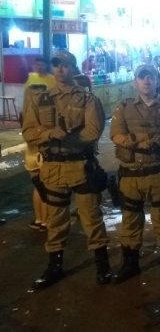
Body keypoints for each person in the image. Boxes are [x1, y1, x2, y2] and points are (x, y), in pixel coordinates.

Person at [21, 50, 111, 289]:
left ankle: (102, 265)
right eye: (56, 64)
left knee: (91, 217)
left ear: (73, 68)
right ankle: (55, 266)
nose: (60, 69)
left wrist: (65, 140)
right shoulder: (40, 98)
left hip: (81, 166)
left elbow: (93, 132)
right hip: (53, 169)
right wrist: (49, 133)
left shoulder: (87, 99)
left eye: (65, 65)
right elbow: (29, 131)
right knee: (55, 220)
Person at [109, 65, 160, 283]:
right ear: (135, 82)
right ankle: (130, 265)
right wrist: (137, 143)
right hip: (131, 174)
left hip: (158, 173)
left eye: (150, 78)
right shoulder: (122, 107)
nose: (147, 81)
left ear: (157, 82)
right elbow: (115, 134)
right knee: (130, 219)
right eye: (142, 78)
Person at [24, 57, 55, 231]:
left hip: (35, 140)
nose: (38, 65)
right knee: (43, 183)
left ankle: (42, 220)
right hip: (40, 142)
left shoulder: (36, 81)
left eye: (41, 62)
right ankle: (44, 219)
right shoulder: (39, 81)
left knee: (39, 184)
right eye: (36, 63)